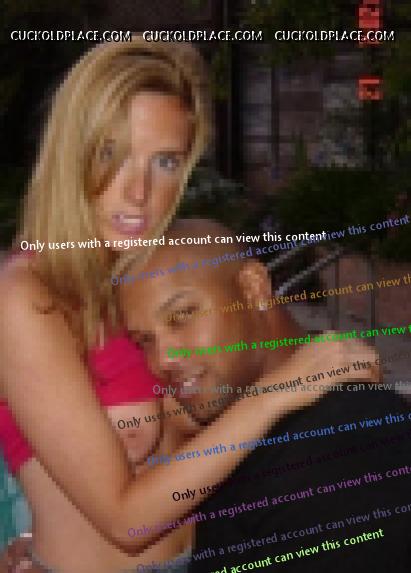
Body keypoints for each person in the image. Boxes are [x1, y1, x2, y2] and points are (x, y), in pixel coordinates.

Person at [0, 37, 376, 573]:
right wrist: (282, 388)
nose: (139, 192)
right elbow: (126, 521)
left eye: (165, 162)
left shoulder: (133, 278)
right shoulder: (27, 295)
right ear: (69, 151)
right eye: (111, 153)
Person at [119, 218, 411, 573]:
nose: (163, 359)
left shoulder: (343, 446)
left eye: (182, 315)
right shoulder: (240, 418)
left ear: (253, 288)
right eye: (144, 341)